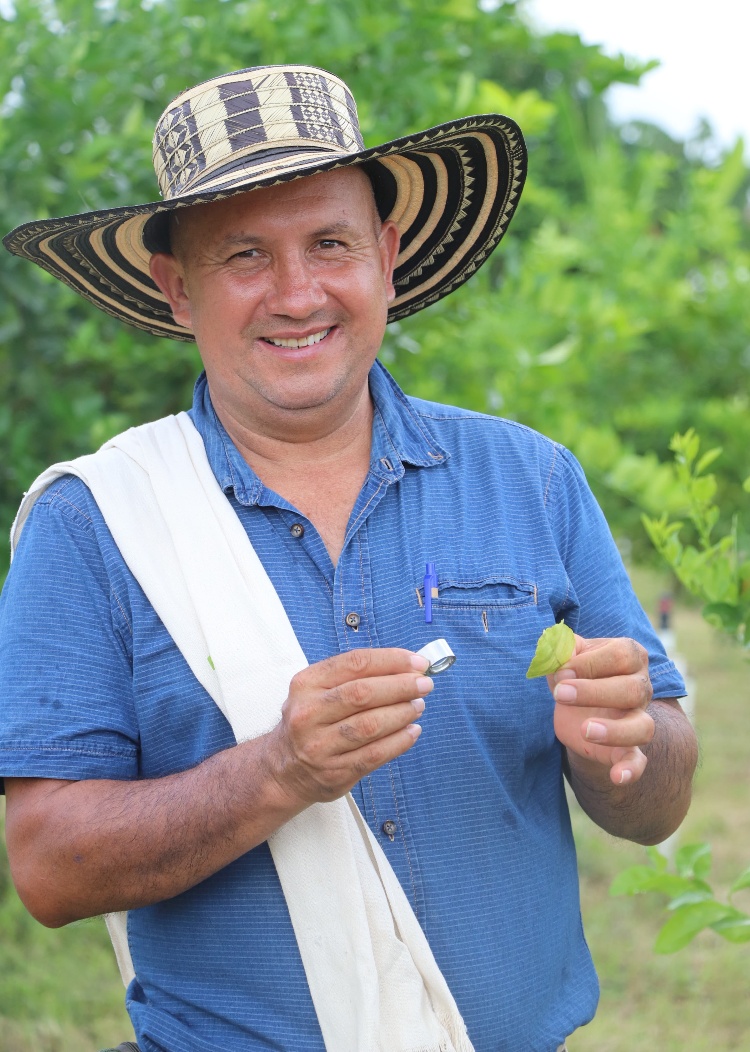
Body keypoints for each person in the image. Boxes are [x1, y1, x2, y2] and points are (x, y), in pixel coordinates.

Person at [0, 65, 697, 1052]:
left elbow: (656, 789)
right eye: (245, 253)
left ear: (389, 254)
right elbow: (49, 868)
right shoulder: (97, 523)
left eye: (330, 243)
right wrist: (277, 770)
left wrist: (626, 742)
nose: (298, 293)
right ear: (176, 286)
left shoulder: (531, 479)